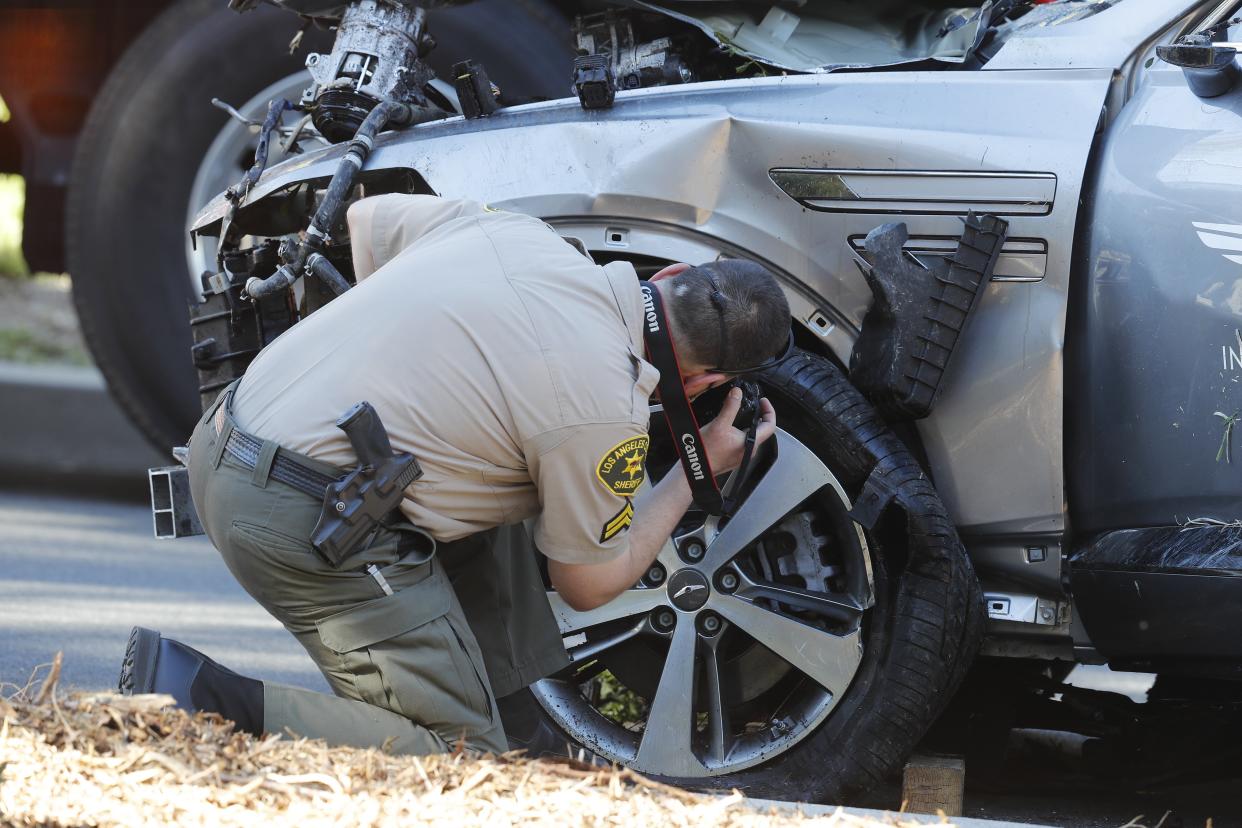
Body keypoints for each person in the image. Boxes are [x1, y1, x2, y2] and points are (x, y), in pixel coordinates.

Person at [119, 193, 790, 755]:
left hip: (223, 434)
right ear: (705, 381)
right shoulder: (599, 411)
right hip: (299, 513)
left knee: (507, 494)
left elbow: (368, 220)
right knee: (458, 758)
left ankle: (523, 723)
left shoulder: (514, 233)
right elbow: (587, 582)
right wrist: (690, 476)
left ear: (670, 275)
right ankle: (193, 698)